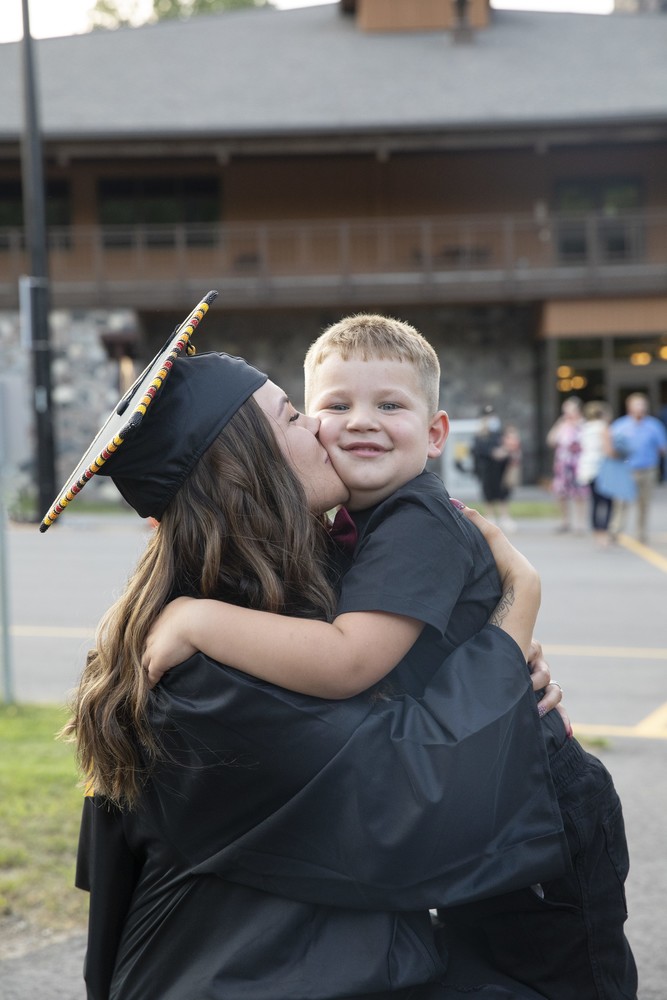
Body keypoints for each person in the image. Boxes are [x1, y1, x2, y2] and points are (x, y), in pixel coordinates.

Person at [46, 297, 571, 1000]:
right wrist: (514, 616)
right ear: (245, 468)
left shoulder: (290, 593)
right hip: (250, 975)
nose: (330, 430)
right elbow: (412, 796)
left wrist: (486, 660)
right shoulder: (203, 665)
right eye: (296, 416)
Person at [608, 391, 667, 544]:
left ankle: (641, 532)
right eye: (637, 405)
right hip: (626, 470)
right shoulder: (620, 425)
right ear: (629, 407)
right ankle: (615, 530)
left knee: (644, 503)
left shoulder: (654, 426)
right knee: (621, 502)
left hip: (648, 469)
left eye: (642, 405)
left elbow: (662, 447)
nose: (640, 408)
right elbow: (610, 447)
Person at [546, 396, 588, 534]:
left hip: (578, 464)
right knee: (561, 493)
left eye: (571, 409)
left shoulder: (583, 425)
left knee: (579, 494)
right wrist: (559, 424)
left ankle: (580, 523)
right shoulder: (562, 425)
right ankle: (565, 521)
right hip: (563, 464)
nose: (568, 413)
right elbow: (551, 441)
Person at [471, 405, 516, 532]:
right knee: (488, 492)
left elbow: (510, 445)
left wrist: (504, 452)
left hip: (501, 468)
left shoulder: (500, 432)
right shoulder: (480, 435)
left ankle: (504, 517)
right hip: (487, 468)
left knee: (503, 492)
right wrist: (492, 453)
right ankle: (489, 516)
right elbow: (477, 451)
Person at [575, 400, 614, 547]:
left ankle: (596, 532)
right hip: (602, 467)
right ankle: (603, 532)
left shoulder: (584, 427)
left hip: (587, 467)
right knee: (607, 501)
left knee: (594, 501)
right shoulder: (603, 428)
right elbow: (608, 450)